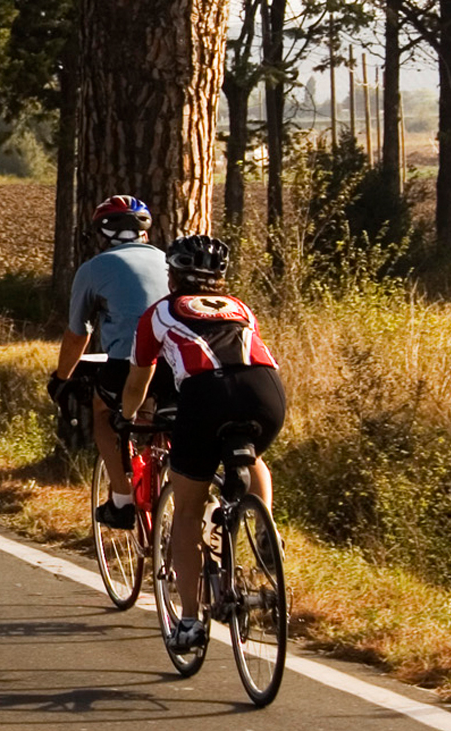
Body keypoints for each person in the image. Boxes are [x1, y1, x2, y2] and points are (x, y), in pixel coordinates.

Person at [118, 234, 286, 653]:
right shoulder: (241, 308)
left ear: (172, 276)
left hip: (205, 396)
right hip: (267, 393)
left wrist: (126, 417)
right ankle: (263, 527)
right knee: (255, 455)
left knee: (188, 510)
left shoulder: (159, 313)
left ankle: (190, 622)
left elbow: (139, 380)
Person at [49, 195, 172, 531]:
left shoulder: (94, 269)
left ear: (102, 234)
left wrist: (62, 377)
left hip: (130, 364)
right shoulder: (167, 261)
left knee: (104, 409)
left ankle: (122, 499)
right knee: (156, 415)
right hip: (178, 364)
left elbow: (78, 334)